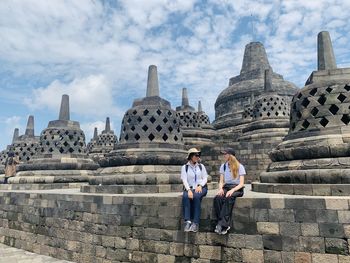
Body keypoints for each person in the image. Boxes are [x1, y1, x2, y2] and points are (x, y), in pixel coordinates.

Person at [214, 148, 245, 235]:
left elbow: (241, 183)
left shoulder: (240, 166)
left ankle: (221, 224)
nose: (224, 155)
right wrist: (220, 189)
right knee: (217, 198)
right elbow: (221, 181)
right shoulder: (223, 166)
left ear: (230, 155)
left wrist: (232, 190)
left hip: (237, 188)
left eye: (225, 154)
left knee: (229, 197)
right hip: (226, 187)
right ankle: (224, 225)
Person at [181, 148, 208, 232]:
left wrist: (200, 185)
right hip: (190, 188)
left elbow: (205, 178)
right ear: (190, 156)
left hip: (201, 187)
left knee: (196, 197)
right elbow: (184, 180)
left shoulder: (201, 166)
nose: (197, 157)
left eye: (198, 155)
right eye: (195, 155)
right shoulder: (185, 167)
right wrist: (188, 190)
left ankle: (195, 222)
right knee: (185, 197)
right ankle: (188, 221)